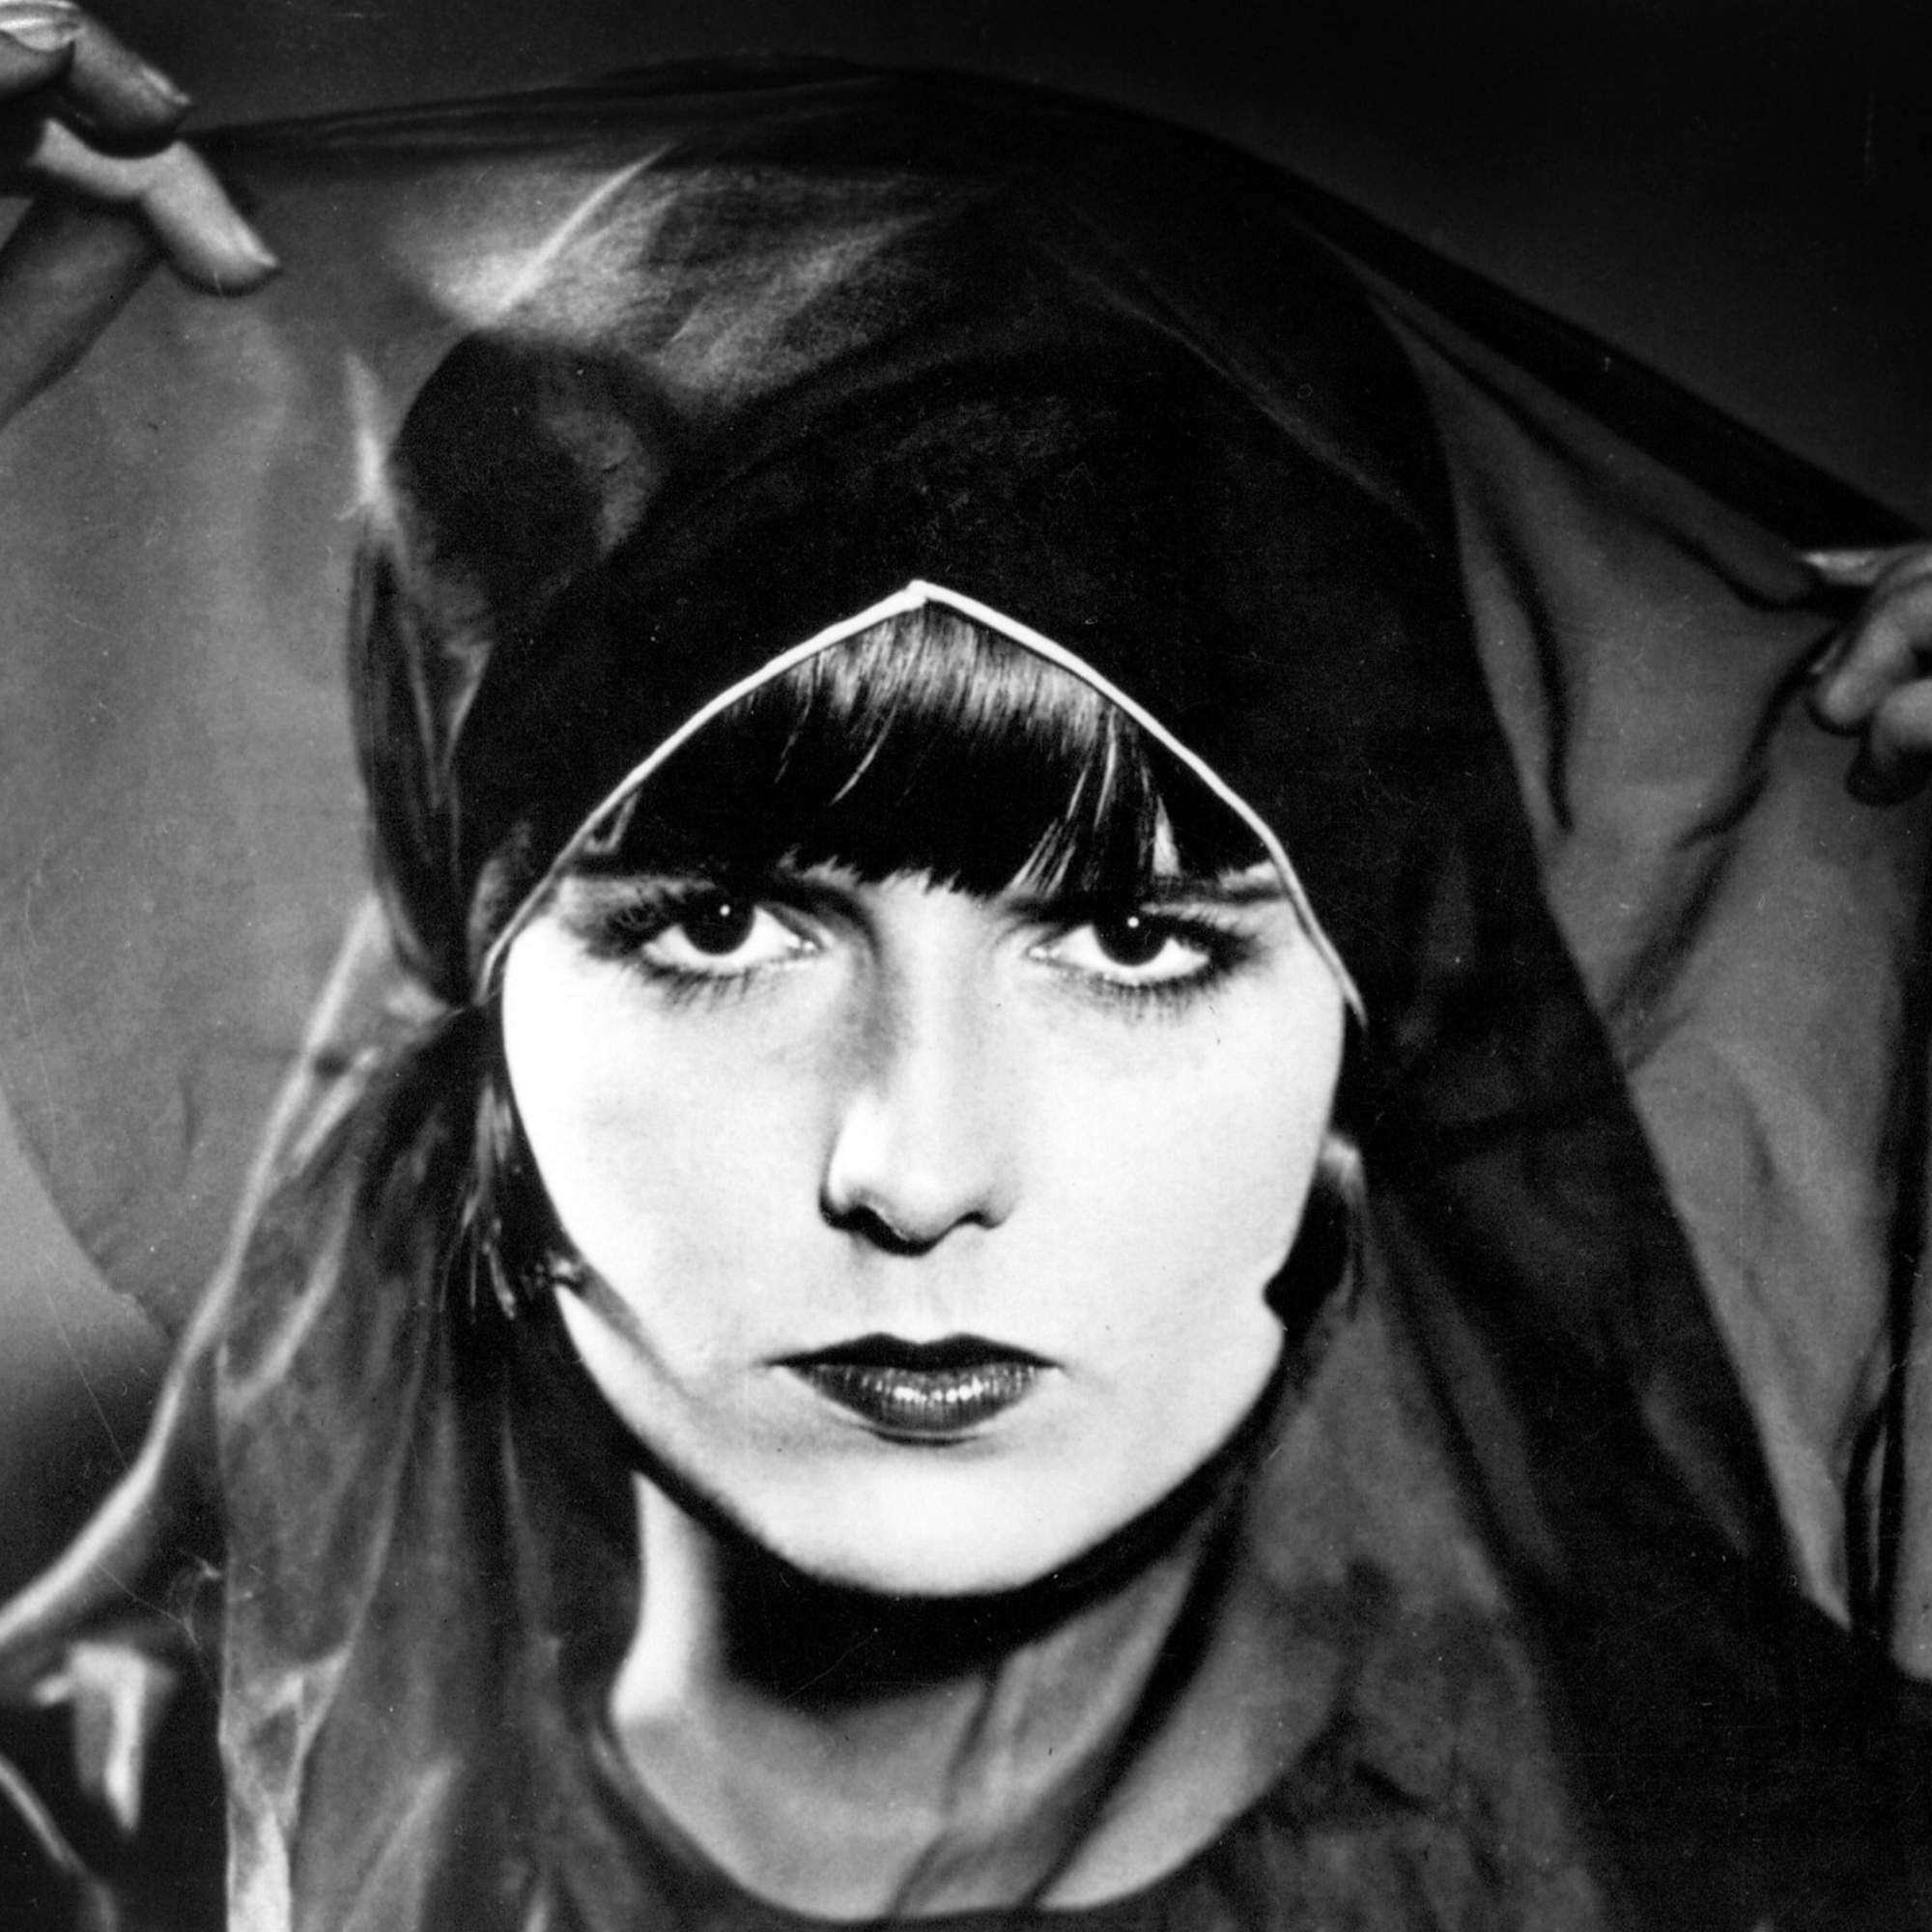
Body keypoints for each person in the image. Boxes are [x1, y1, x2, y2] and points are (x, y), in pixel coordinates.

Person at [5, 30, 1932, 1932]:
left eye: (1131, 940)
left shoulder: (1772, 1850)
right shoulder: (104, 1807)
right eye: (721, 927)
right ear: (481, 998)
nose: (916, 1174)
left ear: (1369, 1031)